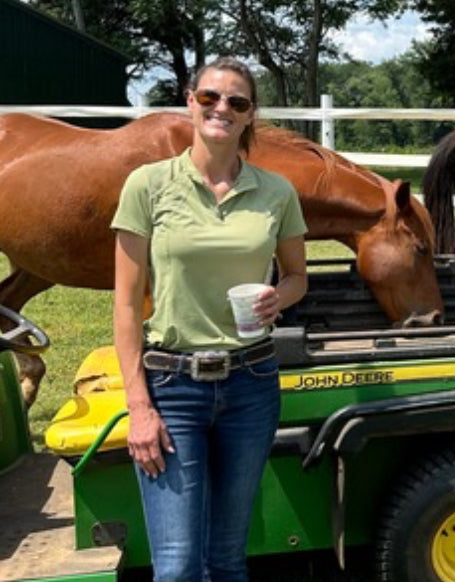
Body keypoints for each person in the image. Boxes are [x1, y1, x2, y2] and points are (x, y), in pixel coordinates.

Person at [111, 56, 308, 582]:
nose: (222, 108)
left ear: (250, 116)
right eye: (210, 97)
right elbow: (126, 304)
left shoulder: (276, 192)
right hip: (172, 384)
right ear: (190, 102)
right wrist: (139, 407)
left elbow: (296, 277)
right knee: (176, 568)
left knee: (227, 559)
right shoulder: (148, 186)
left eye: (236, 102)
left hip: (252, 382)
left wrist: (277, 297)